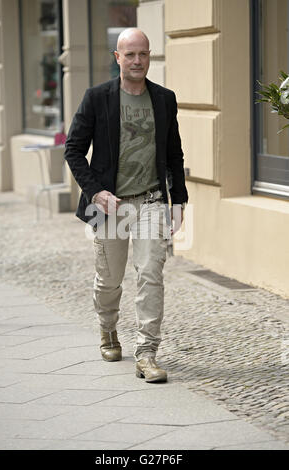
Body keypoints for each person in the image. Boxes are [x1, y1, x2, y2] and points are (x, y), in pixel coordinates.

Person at [64, 28, 188, 383]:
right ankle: (107, 329)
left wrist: (178, 200)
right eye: (129, 55)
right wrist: (95, 192)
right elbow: (73, 150)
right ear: (117, 57)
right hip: (111, 207)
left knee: (150, 274)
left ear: (150, 56)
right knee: (109, 280)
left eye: (143, 54)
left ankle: (147, 353)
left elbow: (173, 154)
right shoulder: (97, 97)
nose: (137, 61)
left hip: (150, 201)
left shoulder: (164, 99)